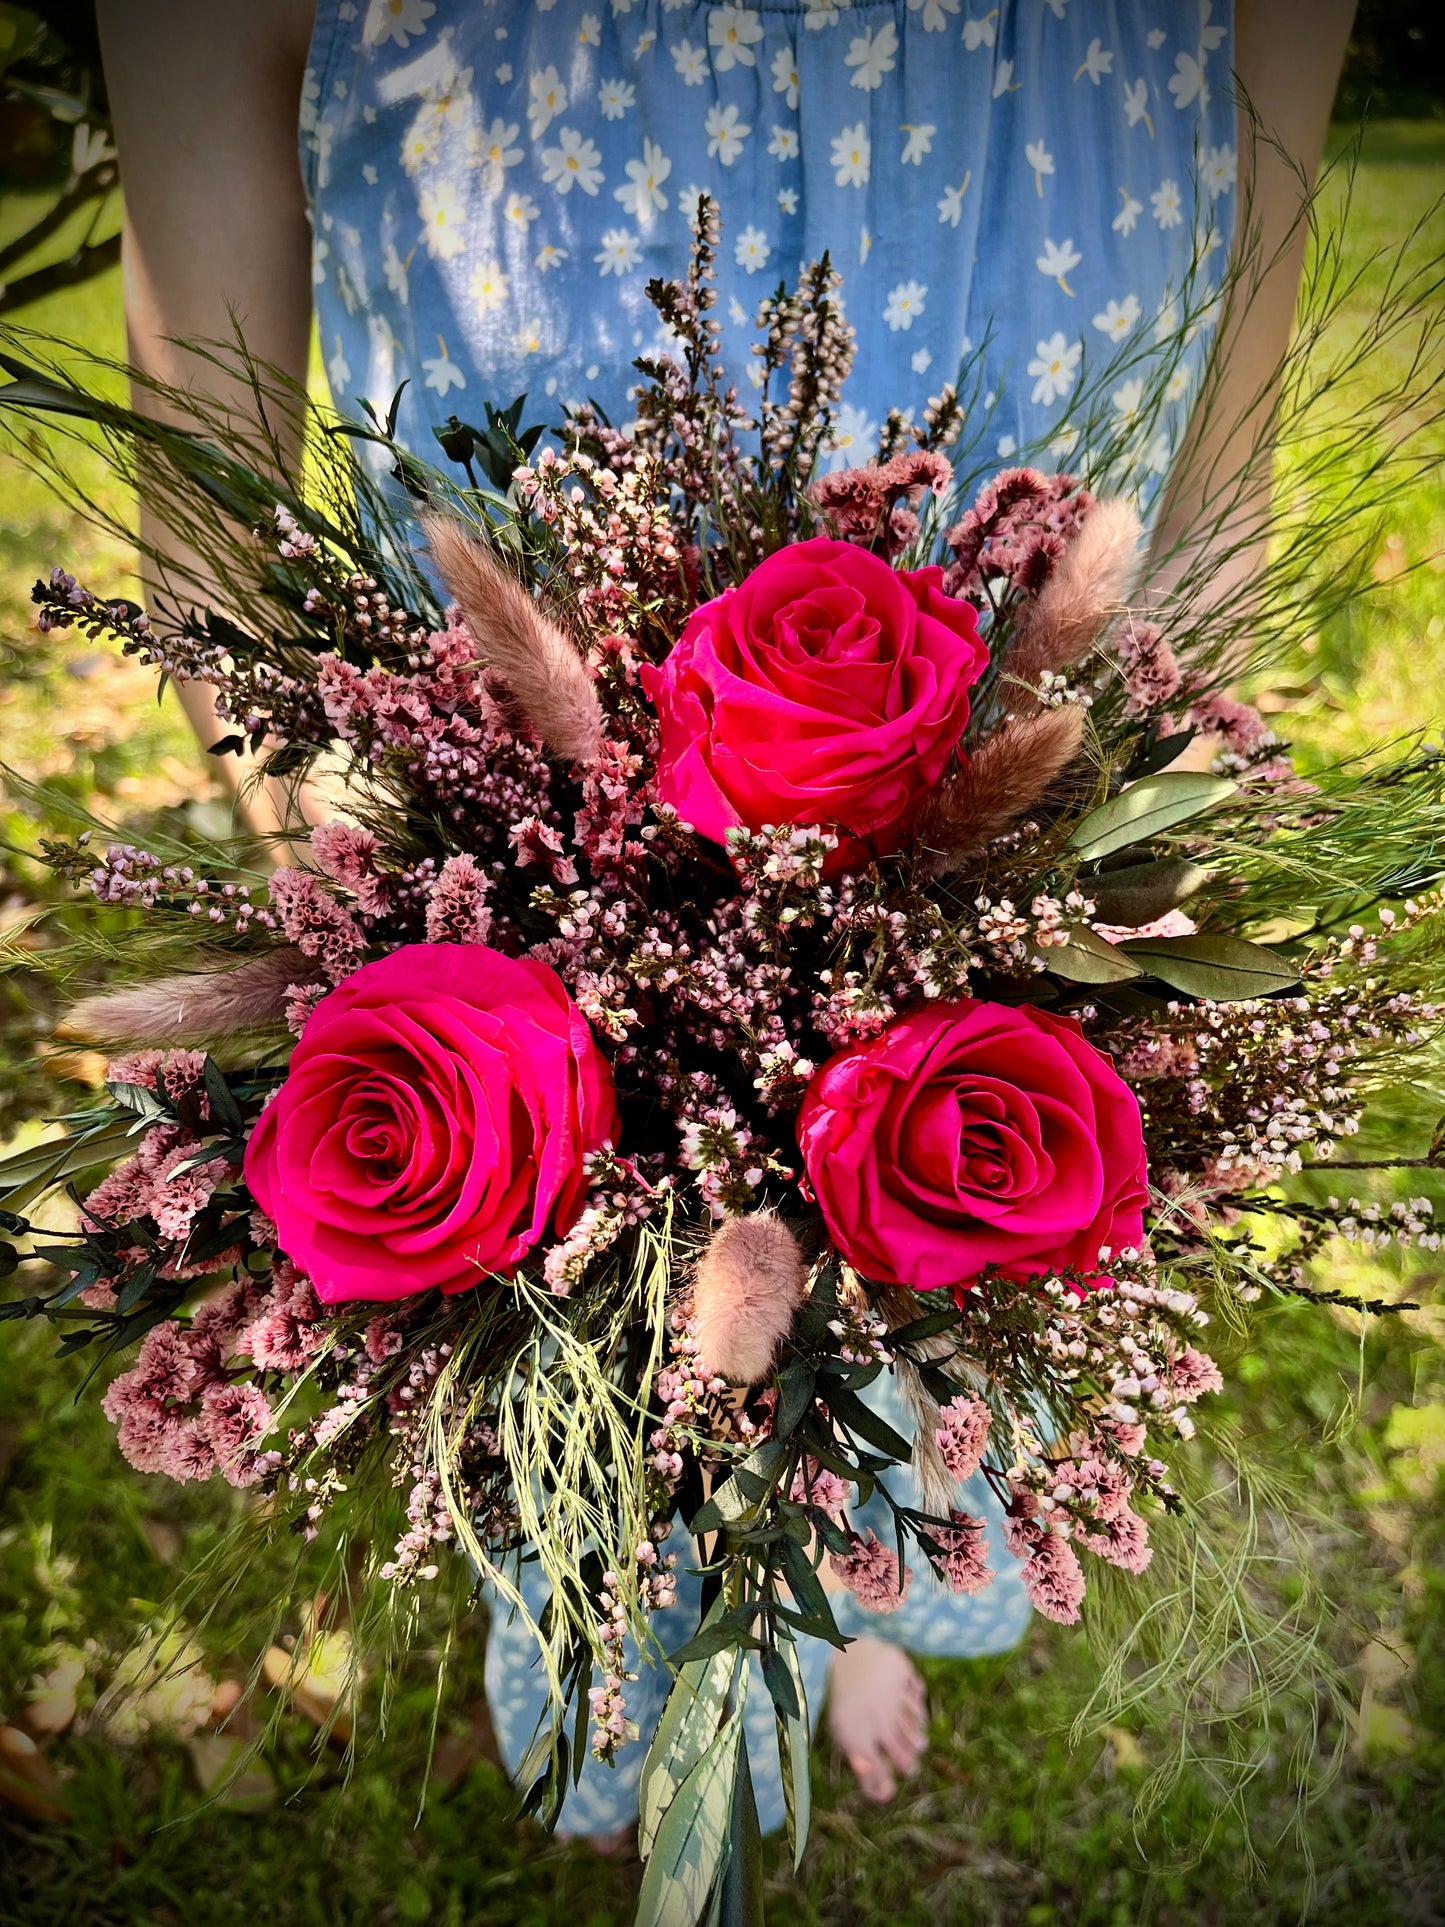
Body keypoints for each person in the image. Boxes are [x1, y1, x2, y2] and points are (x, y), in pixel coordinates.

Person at [93, 0, 1355, 1834]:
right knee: (551, 1247)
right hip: (512, 678)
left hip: (1032, 525)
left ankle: (848, 1590)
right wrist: (347, 862)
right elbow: (199, 406)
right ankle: (620, 1599)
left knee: (953, 1187)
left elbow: (1253, 275)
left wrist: (1174, 745)